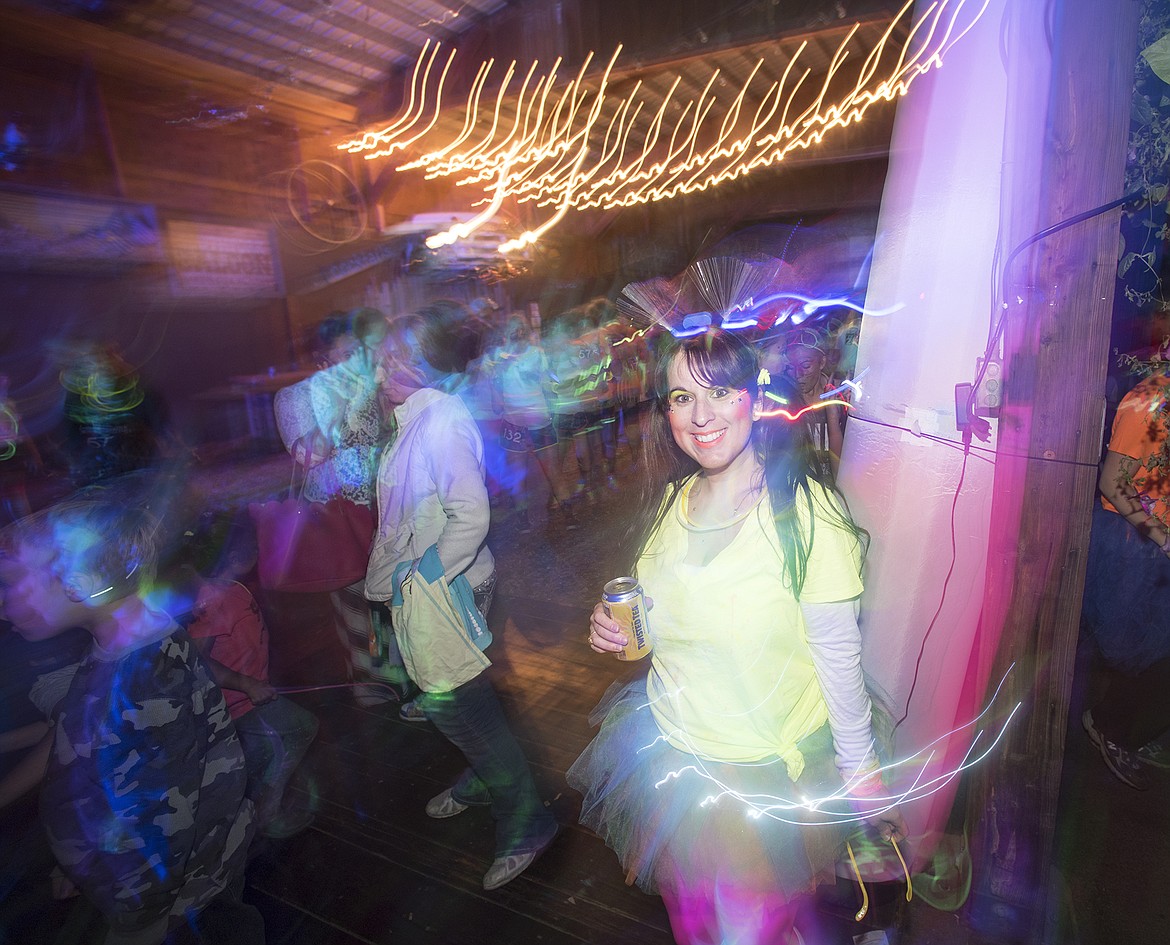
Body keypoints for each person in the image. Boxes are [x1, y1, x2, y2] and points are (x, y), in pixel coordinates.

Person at [569, 329, 905, 945]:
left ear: (754, 396)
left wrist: (866, 795)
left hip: (762, 777)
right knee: (698, 926)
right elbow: (668, 609)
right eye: (679, 397)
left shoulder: (806, 517)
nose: (699, 417)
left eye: (720, 392)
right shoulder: (670, 500)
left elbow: (840, 669)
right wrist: (612, 628)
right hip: (674, 764)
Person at [0, 494, 261, 944]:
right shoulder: (130, 635)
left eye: (10, 584)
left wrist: (134, 912)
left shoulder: (142, 690)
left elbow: (163, 833)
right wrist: (79, 860)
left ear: (79, 584)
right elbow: (75, 738)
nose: (2, 604)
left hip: (167, 896)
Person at [366, 309, 559, 891]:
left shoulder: (442, 419)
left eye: (392, 353)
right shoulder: (411, 420)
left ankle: (527, 822)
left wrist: (422, 577)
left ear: (418, 363)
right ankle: (482, 779)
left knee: (462, 710)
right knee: (459, 706)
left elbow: (471, 514)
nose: (378, 363)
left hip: (448, 590)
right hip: (435, 589)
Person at [181, 511, 319, 838]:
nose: (260, 553)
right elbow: (196, 663)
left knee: (259, 758)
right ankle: (267, 810)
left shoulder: (229, 589)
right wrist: (246, 683)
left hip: (248, 698)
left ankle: (251, 815)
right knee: (303, 728)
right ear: (237, 557)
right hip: (241, 703)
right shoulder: (214, 601)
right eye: (255, 548)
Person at [1081, 365, 1170, 790]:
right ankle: (1110, 727)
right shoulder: (1150, 398)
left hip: (1151, 548)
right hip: (1130, 545)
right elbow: (1114, 482)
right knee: (1135, 653)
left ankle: (1121, 727)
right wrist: (1162, 539)